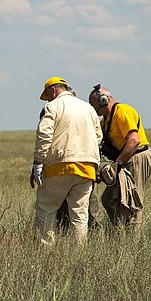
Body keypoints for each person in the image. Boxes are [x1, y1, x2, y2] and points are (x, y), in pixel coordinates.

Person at [30, 77, 101, 245]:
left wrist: (38, 162)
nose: (48, 99)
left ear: (53, 90)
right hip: (87, 167)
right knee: (80, 214)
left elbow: (44, 135)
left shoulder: (52, 106)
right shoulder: (88, 108)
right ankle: (78, 253)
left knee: (46, 208)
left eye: (48, 95)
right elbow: (98, 136)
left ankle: (45, 251)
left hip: (59, 166)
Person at [89, 84, 151, 234]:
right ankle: (120, 233)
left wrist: (117, 164)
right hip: (124, 160)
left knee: (132, 203)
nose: (93, 109)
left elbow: (134, 140)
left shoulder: (122, 111)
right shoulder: (106, 120)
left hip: (136, 158)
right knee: (108, 199)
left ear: (103, 100)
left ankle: (133, 243)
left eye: (93, 104)